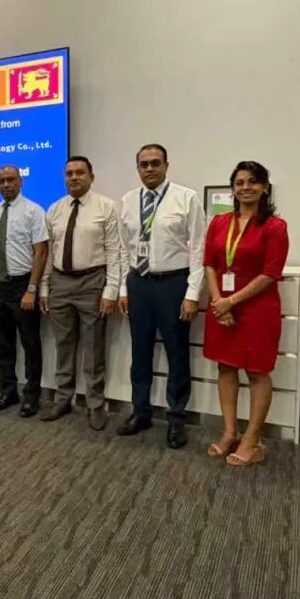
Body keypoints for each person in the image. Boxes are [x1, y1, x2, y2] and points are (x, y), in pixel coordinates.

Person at [117, 144, 205, 448]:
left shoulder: (186, 198)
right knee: (140, 352)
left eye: (155, 163)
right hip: (139, 283)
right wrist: (123, 288)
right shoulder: (128, 201)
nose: (150, 169)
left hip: (173, 284)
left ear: (166, 165)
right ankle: (140, 411)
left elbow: (198, 249)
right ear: (138, 168)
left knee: (176, 353)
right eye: (144, 164)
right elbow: (124, 248)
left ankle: (176, 418)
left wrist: (192, 293)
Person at [203, 161, 289, 467]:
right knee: (226, 368)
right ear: (233, 189)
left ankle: (252, 441)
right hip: (221, 306)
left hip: (257, 310)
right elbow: (210, 263)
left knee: (257, 372)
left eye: (253, 181)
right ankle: (230, 432)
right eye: (239, 182)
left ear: (264, 187)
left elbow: (270, 273)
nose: (246, 187)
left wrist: (231, 301)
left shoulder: (275, 227)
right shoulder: (219, 222)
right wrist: (218, 301)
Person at [39, 156, 121, 430]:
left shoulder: (106, 207)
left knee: (93, 347)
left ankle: (95, 405)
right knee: (63, 344)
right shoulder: (55, 209)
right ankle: (63, 398)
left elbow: (114, 250)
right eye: (69, 173)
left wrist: (111, 290)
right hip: (60, 282)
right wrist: (44, 287)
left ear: (91, 176)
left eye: (80, 173)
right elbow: (50, 253)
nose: (74, 177)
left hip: (92, 282)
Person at [0, 165, 48, 418]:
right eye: (1, 181)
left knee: (30, 343)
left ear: (20, 182)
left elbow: (41, 252)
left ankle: (32, 395)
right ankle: (8, 391)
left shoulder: (34, 211)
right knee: (3, 343)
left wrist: (32, 289)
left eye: (11, 180)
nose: (6, 184)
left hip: (22, 285)